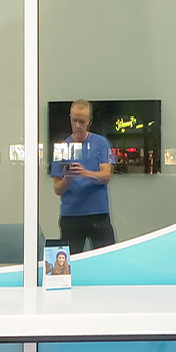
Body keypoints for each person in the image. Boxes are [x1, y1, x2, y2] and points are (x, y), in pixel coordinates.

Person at [50, 100, 116, 253]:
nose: (77, 125)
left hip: (98, 214)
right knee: (70, 260)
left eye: (81, 121)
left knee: (107, 257)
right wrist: (69, 178)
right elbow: (58, 189)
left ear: (89, 121)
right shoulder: (63, 148)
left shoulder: (101, 143)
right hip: (71, 215)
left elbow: (106, 175)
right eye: (74, 121)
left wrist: (84, 173)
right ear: (70, 119)